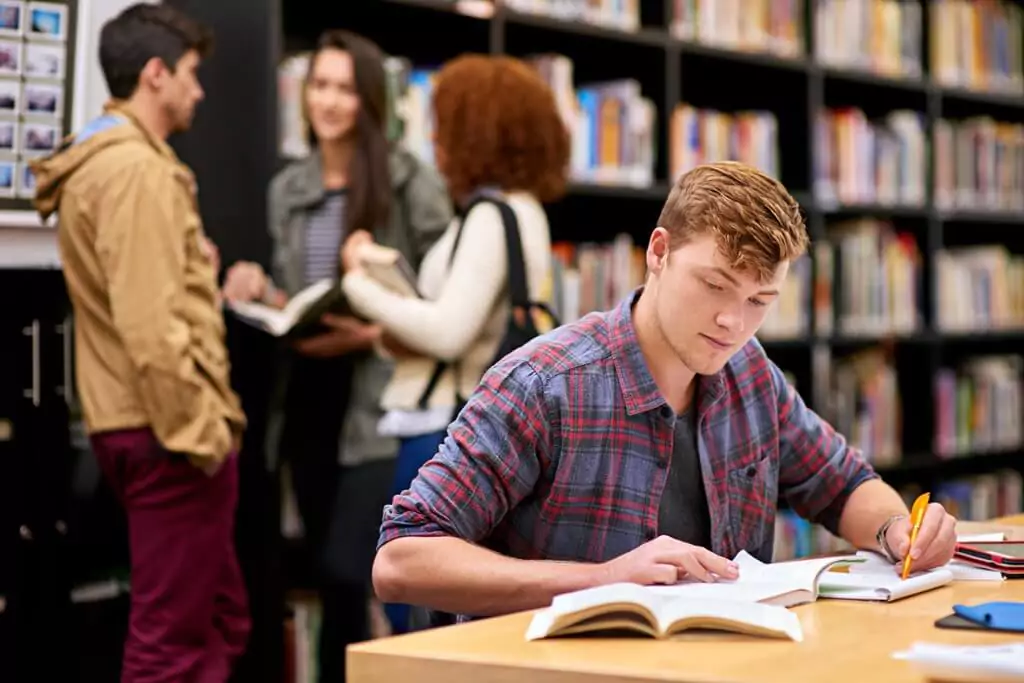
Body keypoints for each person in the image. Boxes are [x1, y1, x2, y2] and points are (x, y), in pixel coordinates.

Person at [370, 161, 960, 620]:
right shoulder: (544, 384)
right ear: (658, 252)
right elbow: (401, 560)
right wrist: (604, 581)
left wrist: (895, 531)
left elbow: (842, 484)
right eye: (714, 285)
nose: (733, 322)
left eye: (759, 302)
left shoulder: (749, 374)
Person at [221, 29, 451, 681]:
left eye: (345, 87)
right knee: (323, 566)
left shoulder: (410, 181)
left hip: (380, 392)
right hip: (306, 393)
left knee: (355, 569)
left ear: (371, 99)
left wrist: (369, 331)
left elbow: (441, 301)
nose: (328, 100)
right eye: (319, 84)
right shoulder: (288, 186)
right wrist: (259, 290)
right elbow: (301, 290)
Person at [30, 4, 250, 682]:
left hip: (138, 423)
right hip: (166, 431)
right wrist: (202, 432)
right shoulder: (136, 172)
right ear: (155, 75)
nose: (199, 90)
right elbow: (151, 329)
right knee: (170, 645)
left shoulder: (108, 163)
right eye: (190, 74)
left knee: (216, 617)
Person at [337, 53, 570, 633]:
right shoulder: (527, 212)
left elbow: (449, 330)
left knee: (412, 590)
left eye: (444, 125)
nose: (434, 141)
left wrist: (357, 284)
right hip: (462, 405)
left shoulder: (491, 215)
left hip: (444, 420)